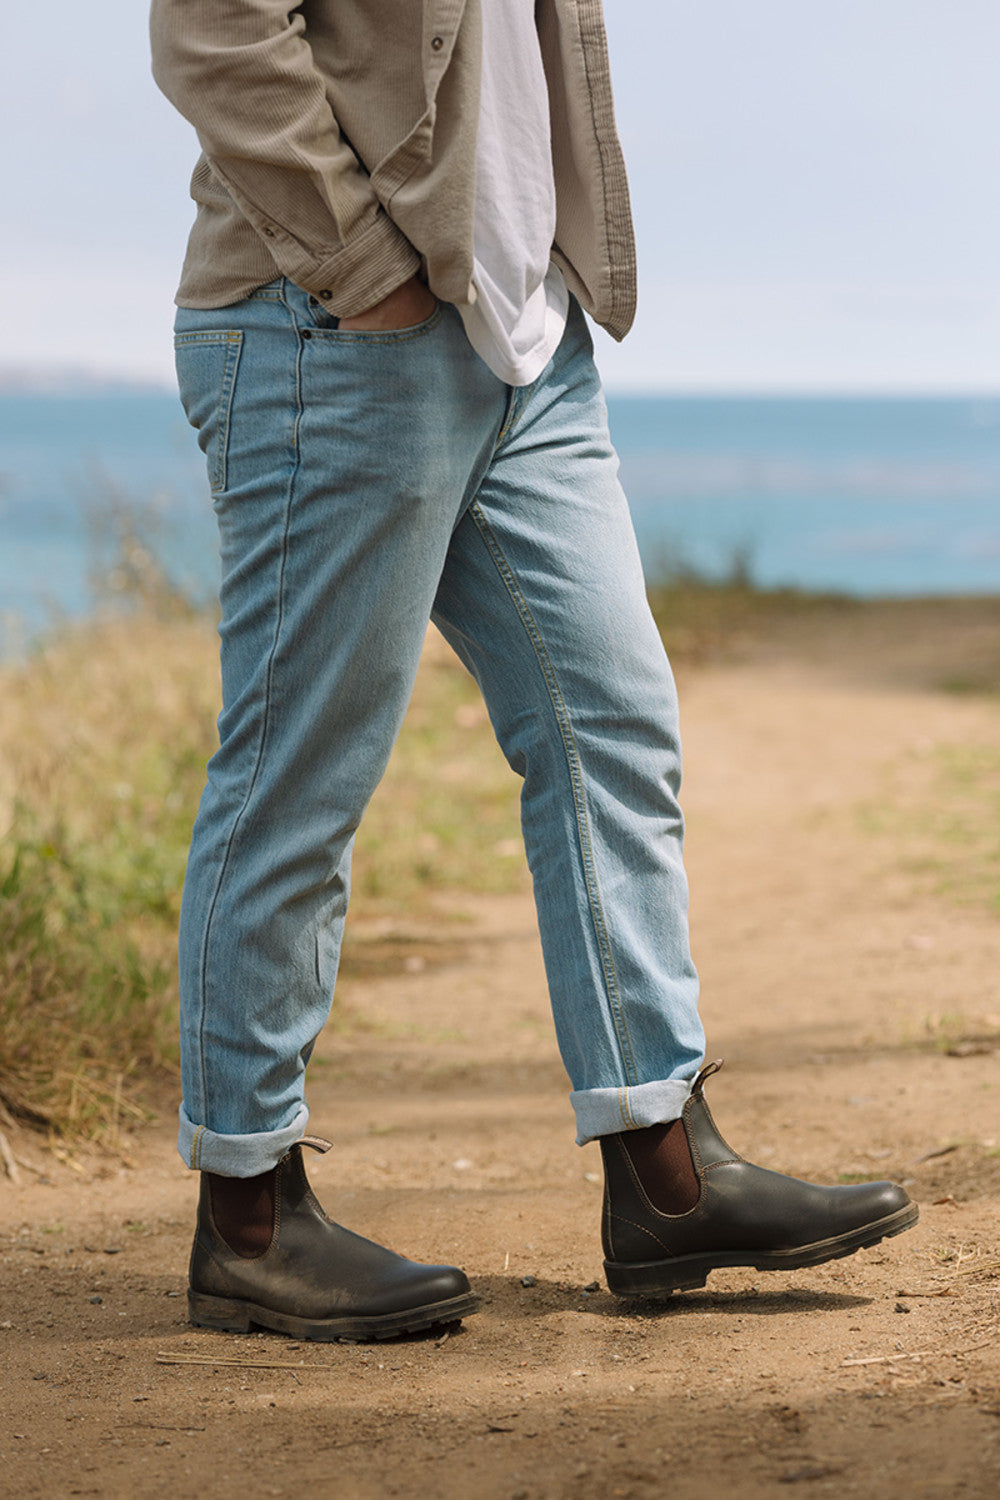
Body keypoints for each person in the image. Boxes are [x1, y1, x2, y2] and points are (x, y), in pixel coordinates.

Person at [149, 0, 917, 1343]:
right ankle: (250, 1217)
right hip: (334, 334)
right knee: (300, 774)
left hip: (525, 344)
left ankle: (665, 1174)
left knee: (611, 728)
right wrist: (362, 264)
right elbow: (213, 36)